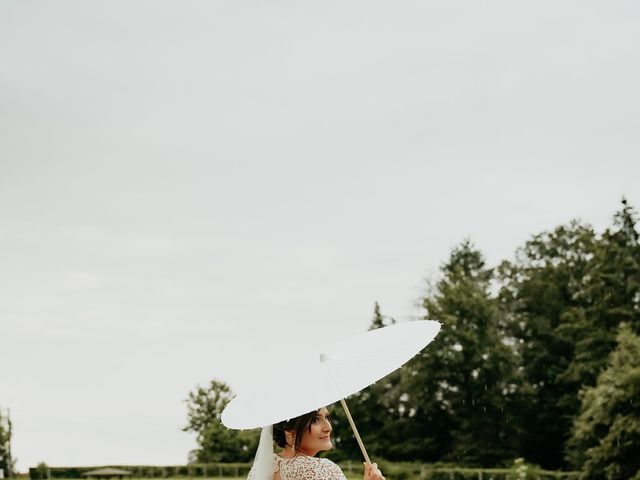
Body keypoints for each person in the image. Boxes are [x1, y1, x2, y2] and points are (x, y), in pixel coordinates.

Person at [247, 407, 384, 480]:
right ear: (290, 431)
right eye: (315, 420)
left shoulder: (263, 468)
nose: (328, 427)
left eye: (326, 417)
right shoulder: (320, 469)